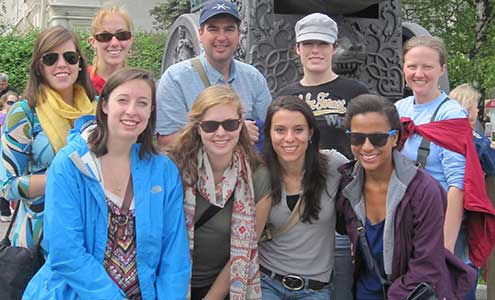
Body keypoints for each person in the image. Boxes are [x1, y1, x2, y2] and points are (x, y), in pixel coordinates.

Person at [23, 68, 191, 300]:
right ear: (104, 105)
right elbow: (66, 252)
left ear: (151, 111)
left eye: (142, 103)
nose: (132, 111)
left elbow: (174, 255)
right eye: (122, 100)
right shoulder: (70, 165)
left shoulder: (163, 172)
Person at [336, 94, 476, 299]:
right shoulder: (348, 184)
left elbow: (426, 266)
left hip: (413, 293)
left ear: (395, 138)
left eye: (378, 138)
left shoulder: (424, 191)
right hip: (366, 290)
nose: (366, 147)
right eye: (357, 137)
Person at [275, 13, 368, 299]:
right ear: (297, 49)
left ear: (333, 47)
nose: (315, 51)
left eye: (322, 44)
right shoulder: (286, 97)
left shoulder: (355, 92)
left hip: (342, 209)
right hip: (300, 211)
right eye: (308, 44)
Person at [395, 36, 495, 299]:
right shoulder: (399, 109)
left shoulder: (452, 114)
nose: (419, 74)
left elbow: (458, 183)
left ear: (442, 69)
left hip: (441, 225)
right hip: (408, 225)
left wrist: (445, 252)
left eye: (427, 66)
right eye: (412, 66)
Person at [169, 85, 271, 300]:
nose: (221, 133)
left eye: (230, 124)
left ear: (241, 123)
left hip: (225, 288)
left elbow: (247, 247)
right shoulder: (173, 169)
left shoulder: (257, 176)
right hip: (170, 283)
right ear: (198, 127)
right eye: (210, 126)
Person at [0, 25, 96, 249]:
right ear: (39, 67)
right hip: (41, 240)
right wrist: (67, 178)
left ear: (80, 64)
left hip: (93, 234)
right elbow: (8, 186)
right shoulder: (25, 113)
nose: (61, 64)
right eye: (51, 58)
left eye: (70, 57)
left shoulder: (99, 108)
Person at [258, 96, 348, 300]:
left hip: (315, 288)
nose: (289, 138)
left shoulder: (334, 165)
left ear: (310, 133)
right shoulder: (259, 172)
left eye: (298, 130)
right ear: (269, 134)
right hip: (266, 282)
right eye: (280, 130)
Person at [156, 0, 271, 150]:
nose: (221, 37)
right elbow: (166, 140)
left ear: (239, 34)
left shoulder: (253, 78)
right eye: (213, 29)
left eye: (229, 29)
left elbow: (271, 127)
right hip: (192, 170)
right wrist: (235, 133)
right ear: (200, 34)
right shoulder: (175, 79)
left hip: (245, 169)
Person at [450, 83, 495, 176]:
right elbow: (492, 167)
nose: (478, 110)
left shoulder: (442, 130)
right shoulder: (475, 139)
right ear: (468, 108)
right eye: (476, 107)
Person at [88, 5, 134, 94]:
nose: (114, 43)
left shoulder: (138, 85)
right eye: (105, 36)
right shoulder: (81, 82)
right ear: (93, 42)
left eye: (122, 35)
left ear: (131, 40)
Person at [0, 90, 18, 222]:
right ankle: (5, 211)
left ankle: (16, 212)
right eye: (10, 102)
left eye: (15, 102)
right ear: (4, 103)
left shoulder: (21, 117)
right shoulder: (1, 117)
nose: (12, 105)